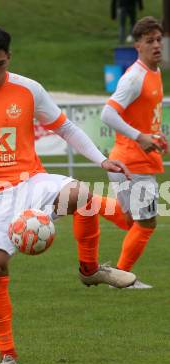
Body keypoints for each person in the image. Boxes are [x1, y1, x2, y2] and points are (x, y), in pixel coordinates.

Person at [0, 26, 136, 364]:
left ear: (9, 57)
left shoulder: (28, 89)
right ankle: (8, 355)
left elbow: (66, 128)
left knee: (81, 195)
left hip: (29, 180)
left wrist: (101, 159)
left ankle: (90, 270)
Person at [100, 16, 167, 288]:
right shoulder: (135, 77)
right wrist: (140, 137)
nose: (156, 45)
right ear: (137, 45)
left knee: (133, 221)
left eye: (159, 39)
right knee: (146, 222)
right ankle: (122, 276)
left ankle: (87, 206)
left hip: (130, 160)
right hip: (132, 162)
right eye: (149, 40)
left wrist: (156, 135)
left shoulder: (155, 72)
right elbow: (107, 113)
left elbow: (144, 116)